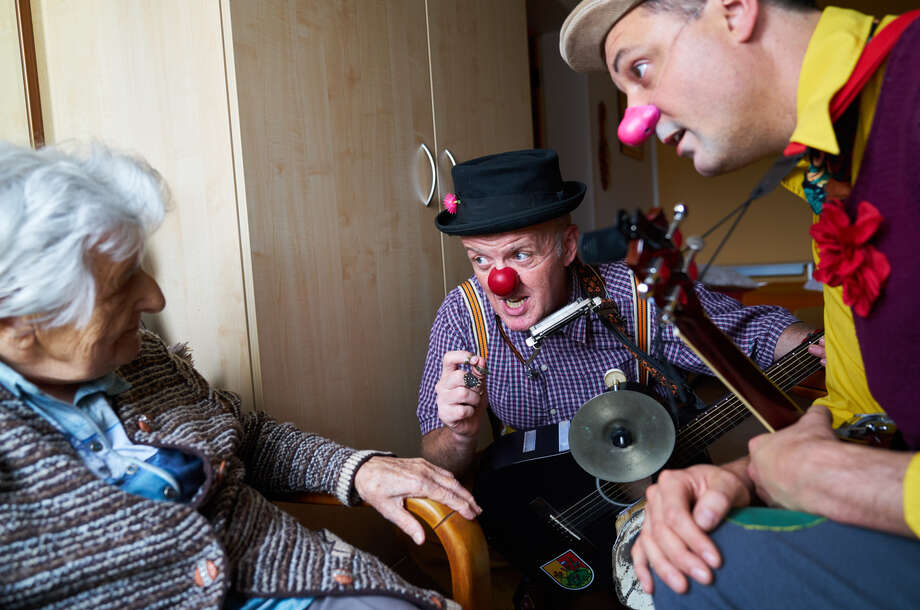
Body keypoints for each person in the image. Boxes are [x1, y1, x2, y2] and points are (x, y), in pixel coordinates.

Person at [0, 142, 481, 610]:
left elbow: (241, 436)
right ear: (21, 323)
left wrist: (357, 469)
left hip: (302, 578)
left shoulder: (140, 355)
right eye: (122, 280)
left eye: (141, 267)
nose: (154, 299)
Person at [560, 0, 920, 607]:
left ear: (734, 9)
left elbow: (857, 465)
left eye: (640, 69)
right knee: (678, 556)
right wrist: (739, 478)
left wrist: (848, 482)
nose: (634, 124)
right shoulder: (831, 180)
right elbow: (866, 415)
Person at [417, 148, 812, 476]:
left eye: (521, 254)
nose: (501, 281)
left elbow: (753, 334)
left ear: (568, 247)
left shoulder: (634, 290)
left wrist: (825, 345)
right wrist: (459, 433)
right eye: (480, 259)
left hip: (646, 494)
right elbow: (437, 458)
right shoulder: (462, 314)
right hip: (539, 514)